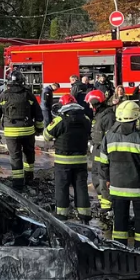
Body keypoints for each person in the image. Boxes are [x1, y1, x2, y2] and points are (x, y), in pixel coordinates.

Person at [97, 101, 140, 250]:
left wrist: (108, 180)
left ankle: (119, 249)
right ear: (135, 118)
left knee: (119, 221)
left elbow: (103, 163)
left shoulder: (108, 137)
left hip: (117, 188)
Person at [44, 94, 92, 223]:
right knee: (81, 188)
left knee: (62, 187)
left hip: (63, 161)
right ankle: (84, 217)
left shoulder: (60, 120)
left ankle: (62, 216)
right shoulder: (86, 118)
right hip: (81, 160)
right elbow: (90, 133)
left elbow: (47, 136)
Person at [0, 71, 43, 190]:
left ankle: (18, 184)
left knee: (15, 157)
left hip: (11, 132)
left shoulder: (3, 96)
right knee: (29, 154)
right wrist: (39, 129)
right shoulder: (28, 95)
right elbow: (38, 114)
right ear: (22, 81)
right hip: (28, 131)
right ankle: (29, 178)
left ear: (9, 82)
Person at [87, 89, 115, 217]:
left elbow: (109, 136)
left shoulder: (108, 116)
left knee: (104, 178)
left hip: (103, 151)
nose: (89, 106)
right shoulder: (99, 115)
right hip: (97, 149)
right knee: (96, 176)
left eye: (90, 103)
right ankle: (102, 202)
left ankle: (108, 206)